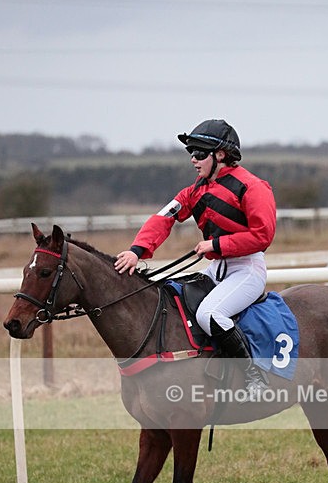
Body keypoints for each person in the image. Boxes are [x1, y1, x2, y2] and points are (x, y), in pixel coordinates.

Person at [115, 119, 276, 395]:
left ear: (221, 155)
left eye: (200, 153)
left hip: (247, 270)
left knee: (210, 314)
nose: (193, 159)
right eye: (191, 152)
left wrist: (216, 244)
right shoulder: (195, 190)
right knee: (174, 297)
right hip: (218, 269)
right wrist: (136, 250)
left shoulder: (252, 187)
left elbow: (263, 235)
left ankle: (255, 376)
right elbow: (163, 218)